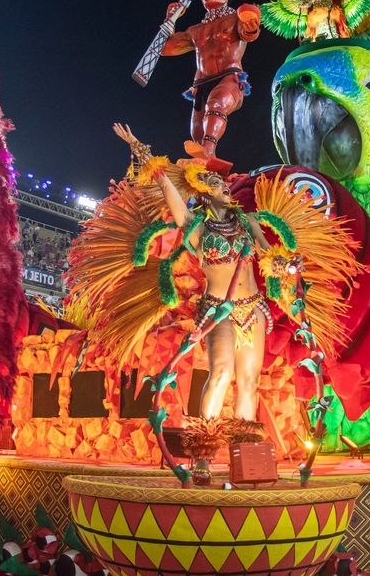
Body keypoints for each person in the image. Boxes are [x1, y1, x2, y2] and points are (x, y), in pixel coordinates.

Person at [113, 123, 273, 479]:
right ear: (203, 193)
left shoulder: (247, 221)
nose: (225, 187)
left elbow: (269, 255)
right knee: (221, 373)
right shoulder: (198, 229)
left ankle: (245, 459)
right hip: (219, 310)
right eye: (216, 184)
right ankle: (202, 454)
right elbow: (170, 193)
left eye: (224, 183)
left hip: (254, 309)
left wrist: (286, 264)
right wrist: (142, 150)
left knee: (249, 381)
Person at [160, 0, 261, 158]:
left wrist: (250, 22)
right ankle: (207, 166)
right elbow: (165, 48)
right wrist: (171, 18)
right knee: (197, 134)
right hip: (201, 84)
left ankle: (208, 152)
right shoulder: (195, 30)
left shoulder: (235, 18)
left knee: (216, 104)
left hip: (228, 77)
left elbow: (248, 33)